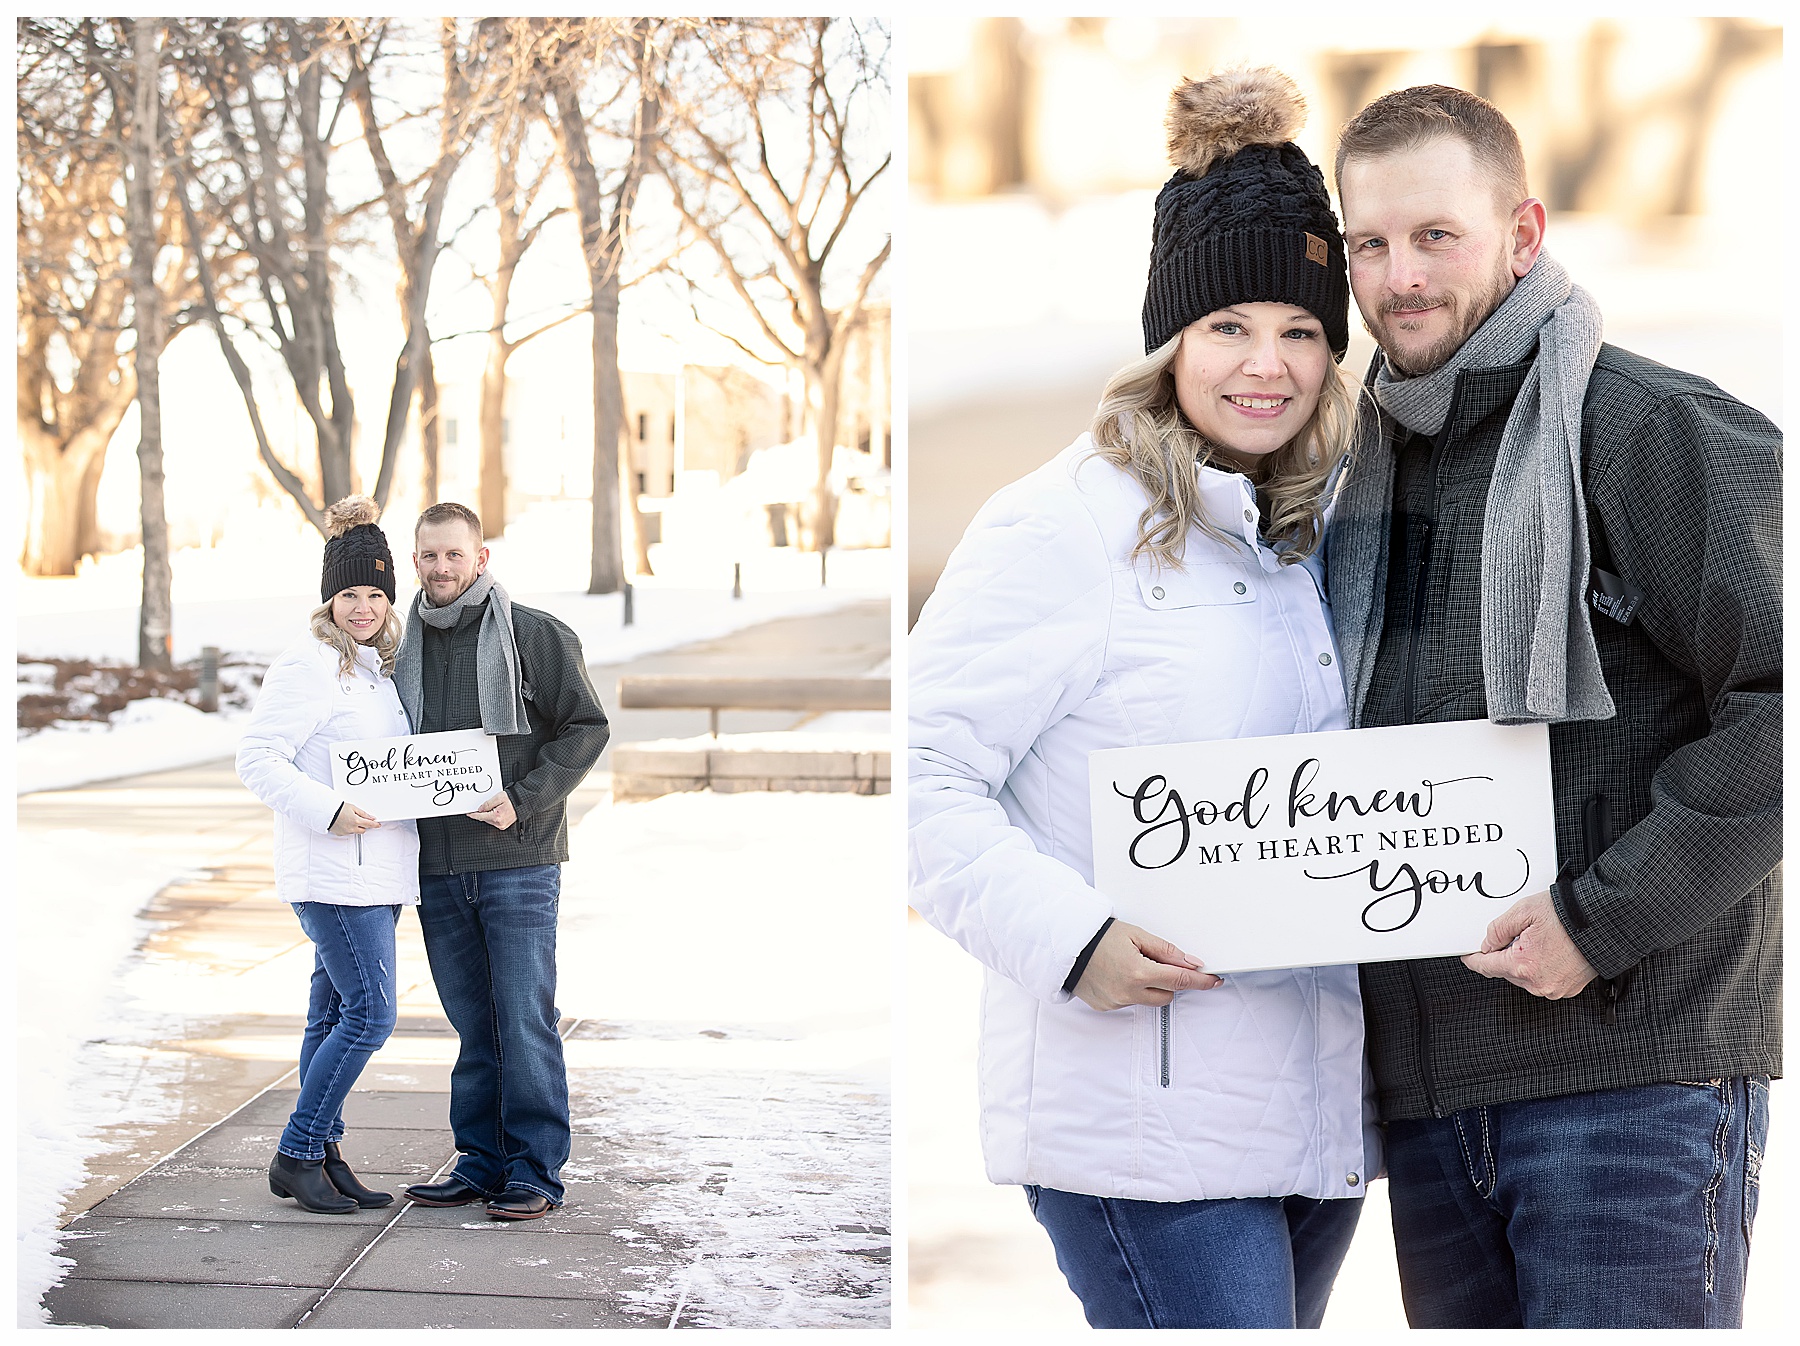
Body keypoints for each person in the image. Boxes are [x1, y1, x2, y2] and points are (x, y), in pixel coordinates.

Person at [909, 70, 1377, 1330]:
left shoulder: (1318, 532)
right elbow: (922, 775)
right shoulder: (1062, 526)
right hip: (1141, 1115)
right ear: (1169, 339)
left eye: (1301, 328)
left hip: (1307, 1111)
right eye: (1228, 326)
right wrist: (1074, 942)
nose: (1267, 366)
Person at [1326, 84, 1780, 1329]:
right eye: (1371, 242)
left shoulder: (1647, 429)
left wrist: (1601, 919)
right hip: (1430, 1100)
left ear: (1523, 235)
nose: (1399, 276)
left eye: (1436, 236)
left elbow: (1778, 705)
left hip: (1631, 1080)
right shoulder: (1361, 475)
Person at [393, 501, 610, 1222]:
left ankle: (536, 1171)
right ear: (415, 560)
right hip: (437, 862)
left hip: (517, 856)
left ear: (480, 558)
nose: (442, 568)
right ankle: (480, 1160)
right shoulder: (398, 646)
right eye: (429, 556)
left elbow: (587, 725)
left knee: (522, 1017)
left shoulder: (534, 634)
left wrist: (526, 797)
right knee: (471, 1020)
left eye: (455, 555)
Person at [237, 496, 416, 1215]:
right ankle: (299, 1149)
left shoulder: (380, 669)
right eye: (350, 594)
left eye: (376, 593)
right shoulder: (306, 666)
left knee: (330, 1019)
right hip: (334, 874)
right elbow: (257, 759)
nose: (364, 607)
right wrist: (330, 809)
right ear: (329, 598)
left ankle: (325, 1155)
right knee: (371, 1016)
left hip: (378, 874)